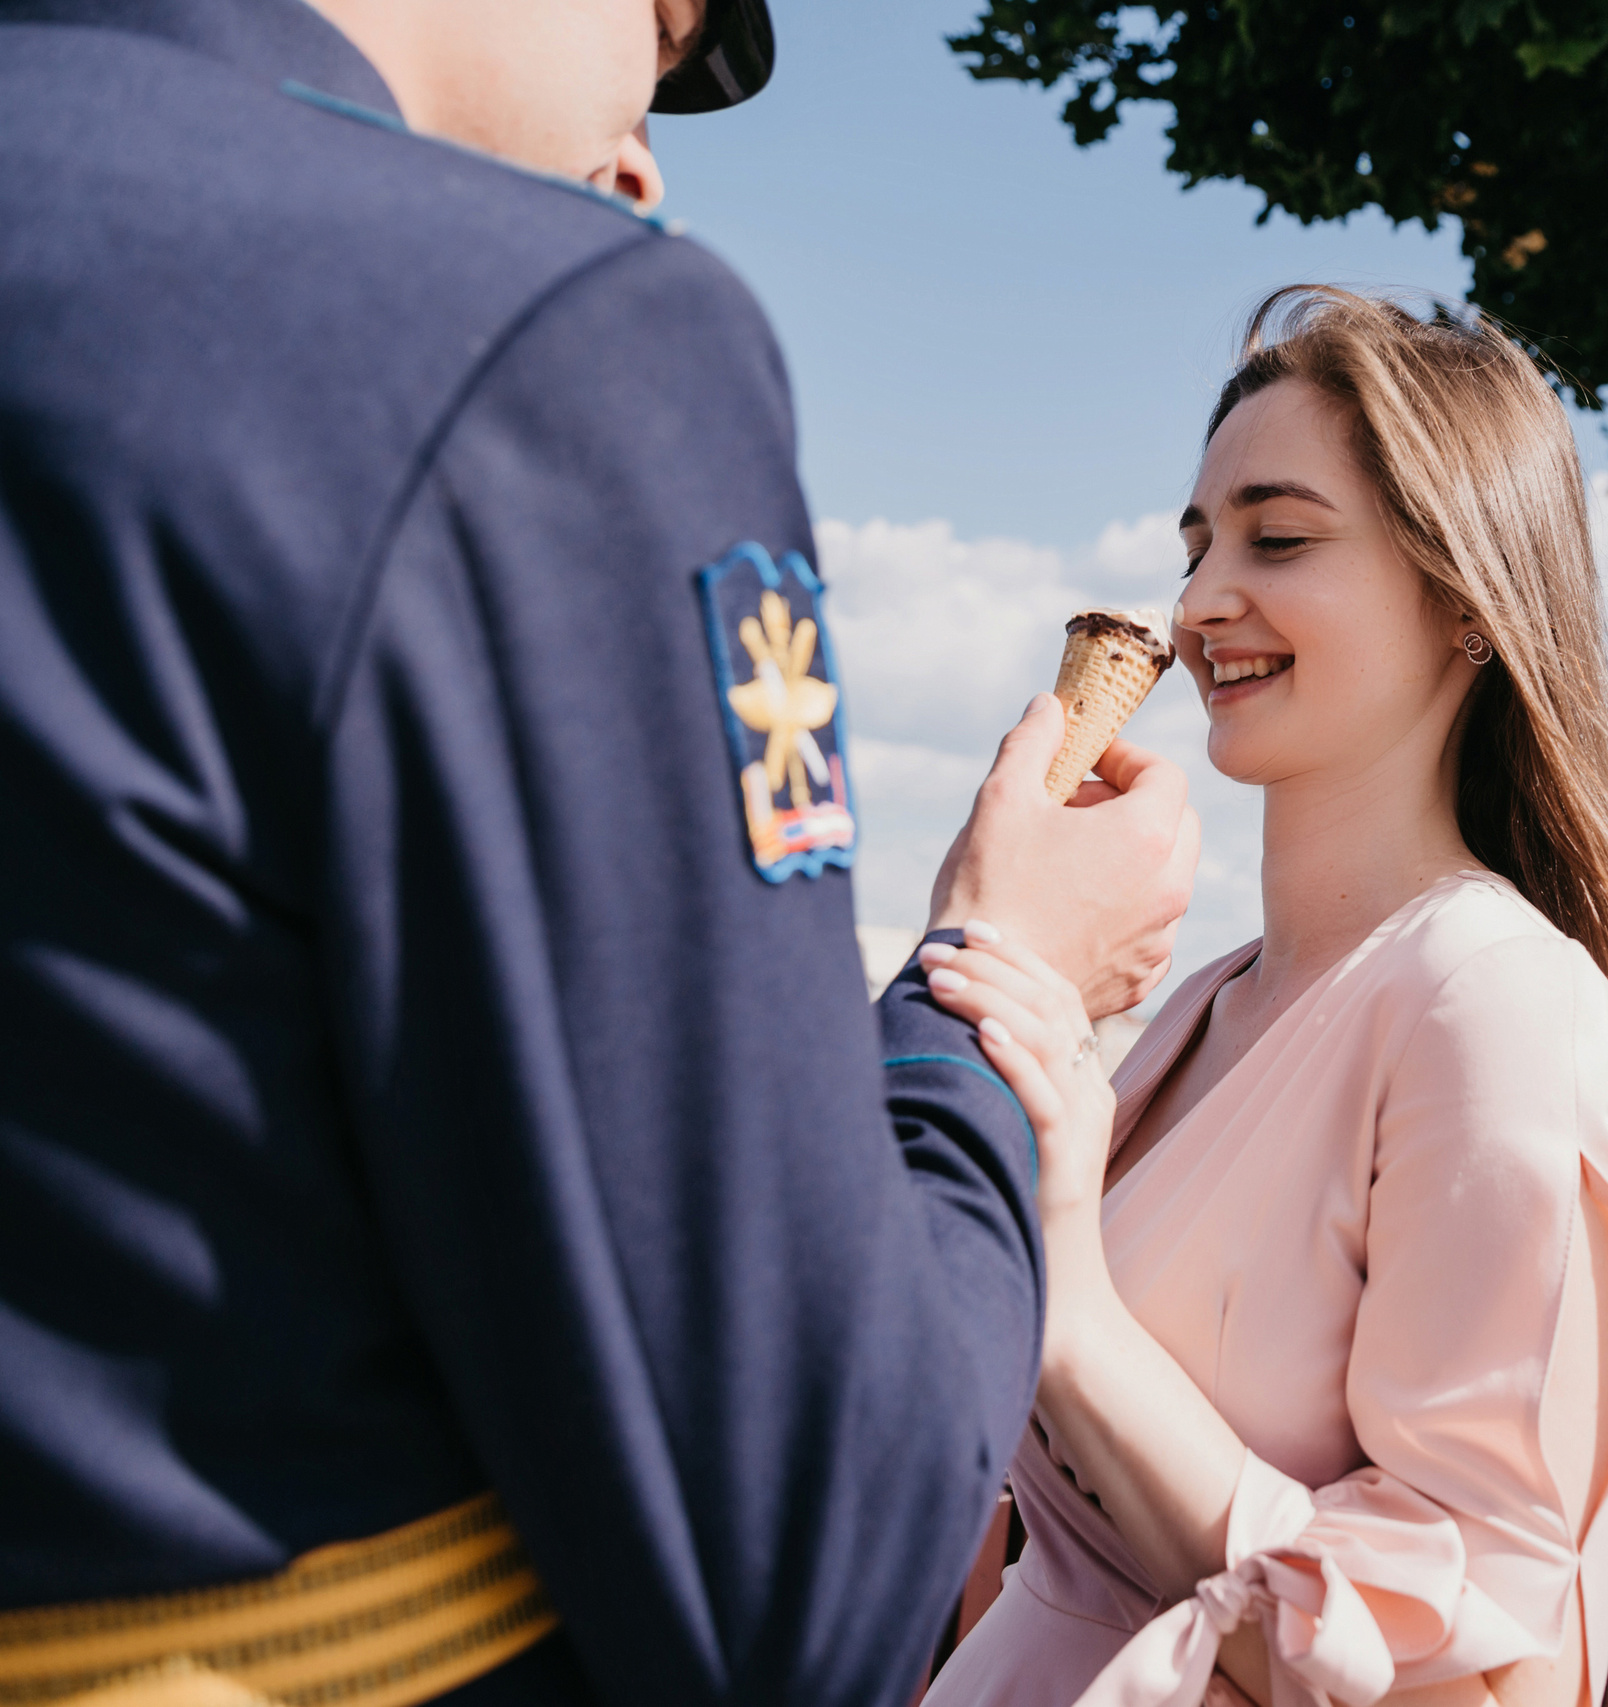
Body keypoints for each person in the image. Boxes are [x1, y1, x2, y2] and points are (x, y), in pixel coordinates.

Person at [0, 3, 1196, 1705]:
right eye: (665, 30)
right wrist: (993, 980)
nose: (641, 134)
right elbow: (809, 1569)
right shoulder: (546, 327)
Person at [911, 288, 1608, 1707]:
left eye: (1278, 538)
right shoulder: (1203, 1005)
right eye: (1199, 541)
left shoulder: (1500, 1015)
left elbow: (1476, 1685)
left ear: (1468, 601)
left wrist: (1071, 1298)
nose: (1199, 600)